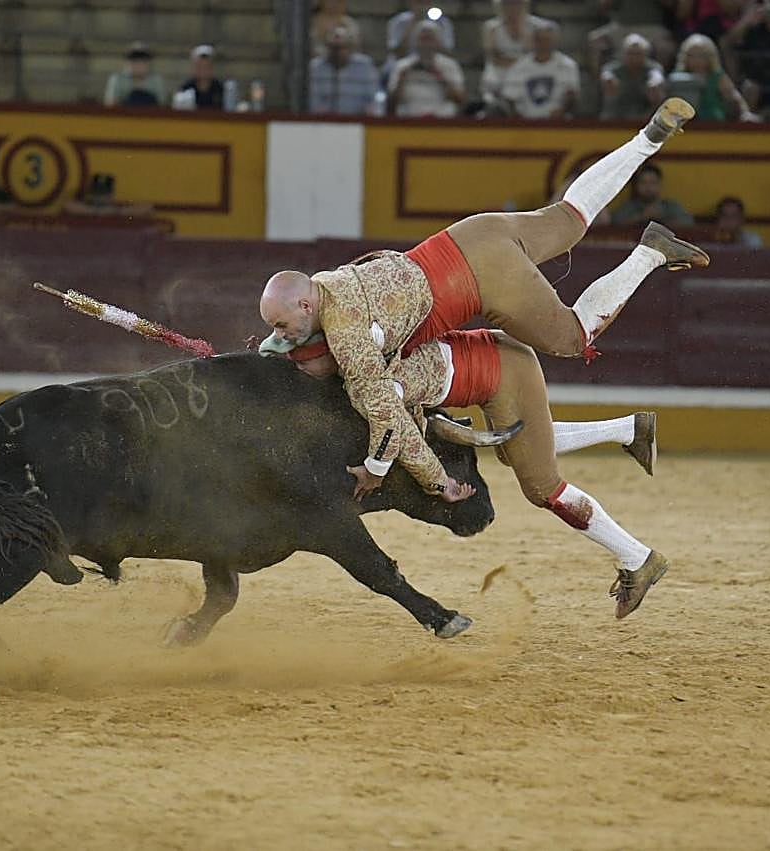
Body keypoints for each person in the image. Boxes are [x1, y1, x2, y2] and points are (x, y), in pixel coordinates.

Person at [258, 99, 708, 616]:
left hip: (477, 285)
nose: (290, 342)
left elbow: (387, 420)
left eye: (286, 332)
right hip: (469, 235)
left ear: (306, 309)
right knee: (567, 216)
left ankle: (650, 254)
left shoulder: (354, 350)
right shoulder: (332, 280)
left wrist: (401, 474)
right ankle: (648, 139)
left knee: (572, 341)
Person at [274, 331, 665, 619]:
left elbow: (400, 432)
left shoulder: (370, 366)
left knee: (541, 485)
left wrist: (430, 481)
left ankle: (637, 555)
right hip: (480, 360)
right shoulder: (367, 328)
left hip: (491, 370)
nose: (303, 366)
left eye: (306, 359)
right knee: (514, 452)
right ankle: (628, 429)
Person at [495, 21, 581, 119]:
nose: (543, 44)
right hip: (526, 125)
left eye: (547, 40)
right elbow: (509, 98)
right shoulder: (518, 67)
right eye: (539, 39)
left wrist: (562, 111)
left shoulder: (567, 65)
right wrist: (518, 118)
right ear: (533, 40)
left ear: (555, 40)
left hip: (559, 124)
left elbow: (572, 96)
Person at [668, 32, 757, 120]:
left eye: (701, 55)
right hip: (684, 125)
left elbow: (734, 97)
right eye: (692, 56)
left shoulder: (717, 76)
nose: (696, 60)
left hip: (713, 123)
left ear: (710, 57)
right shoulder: (677, 76)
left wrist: (745, 113)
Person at [388, 21, 466, 118]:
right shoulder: (402, 66)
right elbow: (391, 102)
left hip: (441, 116)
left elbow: (460, 99)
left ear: (437, 42)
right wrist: (402, 79)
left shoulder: (450, 65)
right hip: (410, 115)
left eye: (429, 39)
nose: (426, 44)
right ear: (415, 42)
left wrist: (438, 75)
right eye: (422, 39)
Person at [480, 0, 550, 104]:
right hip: (499, 74)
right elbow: (495, 59)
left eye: (516, 3)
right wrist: (523, 61)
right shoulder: (491, 27)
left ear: (524, 4)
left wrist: (522, 30)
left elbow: (537, 55)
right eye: (507, 4)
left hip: (529, 73)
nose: (512, 8)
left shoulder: (538, 26)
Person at [309, 26, 381, 115]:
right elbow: (313, 101)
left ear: (351, 48)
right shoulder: (315, 68)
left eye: (343, 47)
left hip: (358, 119)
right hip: (324, 121)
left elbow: (373, 97)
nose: (338, 52)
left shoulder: (365, 66)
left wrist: (369, 110)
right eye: (334, 47)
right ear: (327, 48)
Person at [600, 33, 666, 120]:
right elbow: (606, 74)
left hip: (645, 114)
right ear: (623, 53)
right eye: (630, 53)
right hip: (617, 113)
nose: (634, 58)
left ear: (646, 54)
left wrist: (654, 83)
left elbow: (657, 76)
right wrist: (609, 80)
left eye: (638, 54)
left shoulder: (653, 67)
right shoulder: (613, 67)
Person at [610, 163, 695, 227]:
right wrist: (641, 217)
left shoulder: (670, 205)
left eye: (653, 183)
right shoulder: (629, 206)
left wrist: (661, 219)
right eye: (643, 183)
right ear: (636, 186)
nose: (648, 187)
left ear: (659, 185)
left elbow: (688, 222)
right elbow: (615, 223)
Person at [387, 0, 455, 61]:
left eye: (426, 2)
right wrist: (413, 22)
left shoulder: (442, 22)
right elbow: (397, 54)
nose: (422, 6)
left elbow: (447, 54)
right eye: (419, 2)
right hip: (401, 64)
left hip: (434, 65)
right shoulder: (399, 21)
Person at [103, 42, 165, 107]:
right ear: (127, 62)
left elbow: (161, 104)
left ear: (149, 63)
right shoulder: (117, 79)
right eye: (134, 59)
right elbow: (110, 104)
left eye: (143, 60)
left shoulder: (156, 80)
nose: (138, 63)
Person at [62, 173, 153, 218]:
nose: (99, 197)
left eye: (103, 193)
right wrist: (97, 212)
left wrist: (116, 211)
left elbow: (147, 207)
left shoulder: (116, 208)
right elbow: (68, 206)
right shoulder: (81, 207)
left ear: (110, 195)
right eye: (96, 193)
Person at [177, 44, 224, 110]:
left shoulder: (221, 89)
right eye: (199, 66)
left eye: (206, 66)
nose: (203, 70)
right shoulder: (185, 89)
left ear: (212, 68)